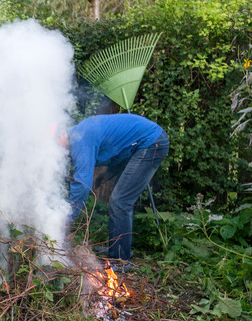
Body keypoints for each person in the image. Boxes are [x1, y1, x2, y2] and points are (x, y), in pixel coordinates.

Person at [57, 113, 169, 264]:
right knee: (119, 200)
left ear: (63, 133)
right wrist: (105, 176)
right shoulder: (80, 134)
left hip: (151, 142)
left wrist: (67, 219)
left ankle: (120, 260)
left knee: (120, 201)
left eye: (55, 143)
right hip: (142, 144)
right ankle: (116, 249)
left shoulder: (80, 141)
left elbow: (82, 186)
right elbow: (119, 151)